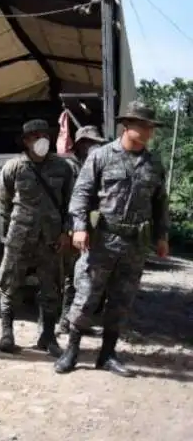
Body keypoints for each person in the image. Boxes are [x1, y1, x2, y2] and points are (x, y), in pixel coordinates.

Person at [55, 101, 170, 377]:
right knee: (85, 297)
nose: (148, 131)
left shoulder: (154, 164)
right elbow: (81, 194)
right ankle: (72, 350)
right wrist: (80, 226)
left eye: (151, 126)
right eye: (143, 125)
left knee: (122, 300)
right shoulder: (102, 156)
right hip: (102, 240)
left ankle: (107, 355)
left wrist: (162, 236)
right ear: (127, 125)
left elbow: (160, 204)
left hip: (134, 243)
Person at [0, 119, 74, 358]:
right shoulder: (14, 167)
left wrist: (65, 232)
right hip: (19, 238)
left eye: (45, 135)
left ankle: (47, 337)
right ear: (26, 141)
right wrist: (15, 226)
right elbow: (1, 202)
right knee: (9, 284)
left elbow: (71, 204)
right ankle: (7, 335)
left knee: (51, 289)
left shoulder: (63, 168)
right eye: (35, 135)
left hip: (51, 239)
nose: (42, 139)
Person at [58, 125, 107, 335]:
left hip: (89, 228)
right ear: (80, 145)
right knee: (72, 277)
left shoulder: (93, 165)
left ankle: (78, 321)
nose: (93, 147)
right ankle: (65, 322)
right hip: (73, 227)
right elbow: (70, 200)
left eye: (95, 143)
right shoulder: (70, 167)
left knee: (87, 276)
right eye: (89, 143)